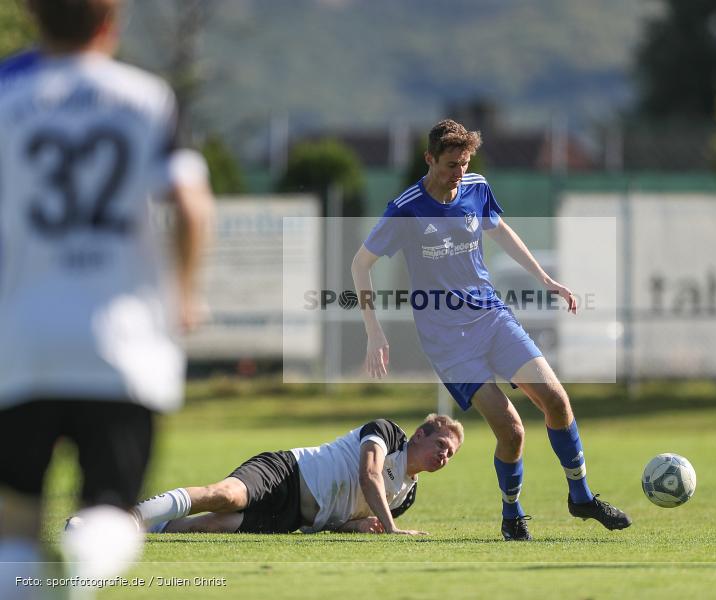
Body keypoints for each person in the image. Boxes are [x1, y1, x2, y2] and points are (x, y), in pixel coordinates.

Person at [0, 0, 214, 591]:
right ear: (110, 22)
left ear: (32, 17)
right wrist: (186, 292)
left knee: (15, 519)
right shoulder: (147, 98)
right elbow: (191, 205)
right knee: (111, 508)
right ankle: (83, 564)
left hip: (22, 338)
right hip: (122, 340)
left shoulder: (6, 95)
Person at [351, 119, 632, 541]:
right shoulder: (406, 208)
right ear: (429, 159)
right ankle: (512, 513)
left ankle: (581, 497)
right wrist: (374, 330)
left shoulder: (476, 187)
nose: (458, 173)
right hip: (448, 342)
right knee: (512, 429)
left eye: (464, 163)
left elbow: (499, 230)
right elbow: (360, 264)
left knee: (556, 401)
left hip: (492, 318)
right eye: (450, 164)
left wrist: (545, 280)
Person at [131, 415, 463, 535]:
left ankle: (152, 527)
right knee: (225, 496)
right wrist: (392, 529)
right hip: (287, 472)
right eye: (442, 445)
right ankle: (126, 517)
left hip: (293, 518)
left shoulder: (407, 496)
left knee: (209, 525)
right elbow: (368, 475)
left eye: (450, 454)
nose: (444, 456)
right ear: (420, 435)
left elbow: (342, 520)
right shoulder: (388, 433)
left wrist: (359, 525)